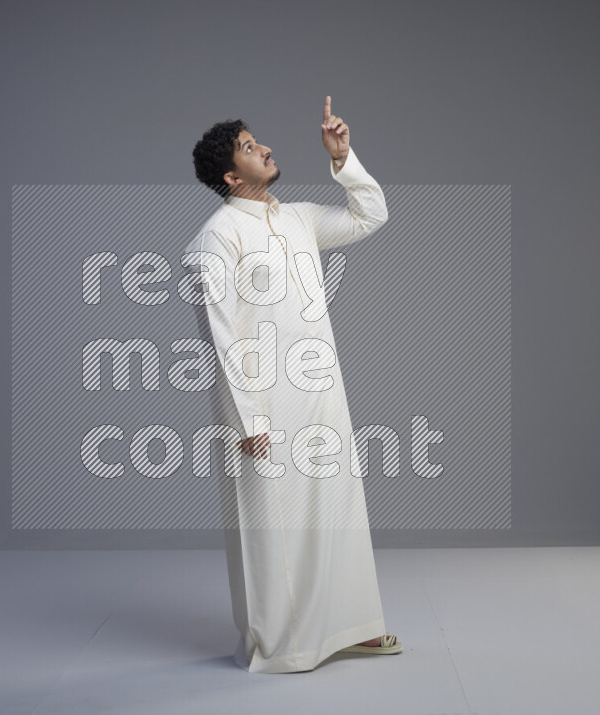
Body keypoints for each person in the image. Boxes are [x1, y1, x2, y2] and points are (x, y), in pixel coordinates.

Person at [186, 96, 401, 673]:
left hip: (320, 394)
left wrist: (343, 158)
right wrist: (248, 418)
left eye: (257, 140)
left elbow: (370, 215)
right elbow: (221, 337)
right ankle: (282, 644)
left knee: (336, 510)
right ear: (233, 177)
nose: (265, 148)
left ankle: (352, 627)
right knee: (273, 527)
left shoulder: (297, 219)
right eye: (249, 147)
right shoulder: (216, 237)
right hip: (264, 407)